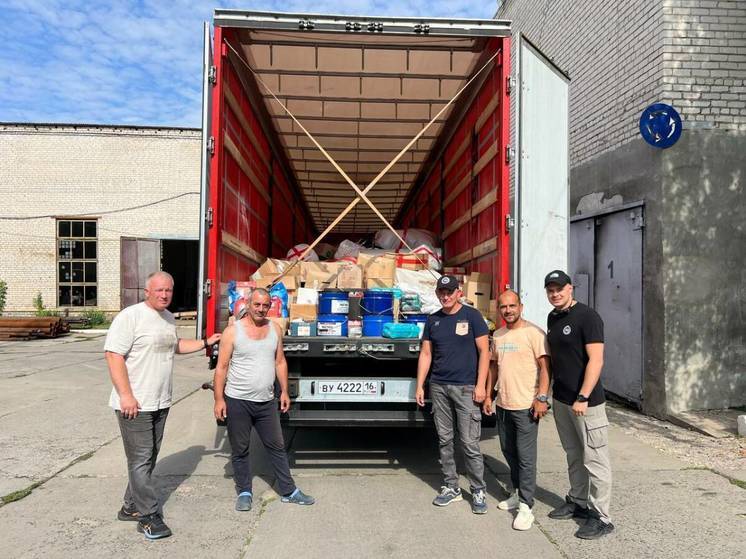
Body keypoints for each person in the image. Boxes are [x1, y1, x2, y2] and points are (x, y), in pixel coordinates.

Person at [105, 271, 221, 540]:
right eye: (159, 290)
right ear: (147, 291)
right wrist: (126, 395)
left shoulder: (168, 318)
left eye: (168, 290)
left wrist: (206, 341)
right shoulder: (130, 317)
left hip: (160, 401)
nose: (164, 294)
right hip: (135, 403)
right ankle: (148, 516)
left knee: (148, 457)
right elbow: (113, 356)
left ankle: (130, 506)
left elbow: (174, 345)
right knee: (140, 459)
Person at [213, 288, 314, 511]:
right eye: (257, 304)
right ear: (248, 304)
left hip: (266, 401)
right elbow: (221, 368)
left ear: (270, 307)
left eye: (265, 305)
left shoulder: (274, 329)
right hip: (237, 400)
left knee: (277, 446)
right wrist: (219, 399)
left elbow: (280, 362)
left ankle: (289, 490)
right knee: (240, 449)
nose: (260, 309)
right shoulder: (232, 332)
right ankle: (245, 492)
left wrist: (285, 391)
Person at [544, 270, 614, 539]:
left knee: (595, 459)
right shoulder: (554, 317)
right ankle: (579, 502)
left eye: (560, 289)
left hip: (586, 402)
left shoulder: (587, 317)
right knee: (573, 454)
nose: (555, 294)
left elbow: (596, 360)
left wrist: (583, 396)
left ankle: (602, 517)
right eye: (550, 290)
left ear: (571, 288)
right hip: (562, 399)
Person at [416, 274, 491, 514]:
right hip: (439, 387)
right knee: (445, 440)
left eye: (450, 292)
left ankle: (478, 489)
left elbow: (485, 352)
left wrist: (481, 386)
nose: (446, 296)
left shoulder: (473, 316)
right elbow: (426, 354)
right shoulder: (433, 320)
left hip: (466, 387)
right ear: (437, 294)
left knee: (469, 442)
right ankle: (451, 487)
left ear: (459, 292)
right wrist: (420, 385)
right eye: (441, 292)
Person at [484, 290, 550, 531]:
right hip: (503, 404)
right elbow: (493, 368)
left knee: (525, 458)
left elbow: (545, 369)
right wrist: (490, 396)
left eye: (512, 306)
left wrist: (542, 397)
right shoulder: (498, 335)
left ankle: (526, 506)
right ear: (499, 309)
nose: (508, 310)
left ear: (521, 307)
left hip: (526, 406)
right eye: (503, 307)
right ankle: (516, 492)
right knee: (508, 451)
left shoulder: (534, 333)